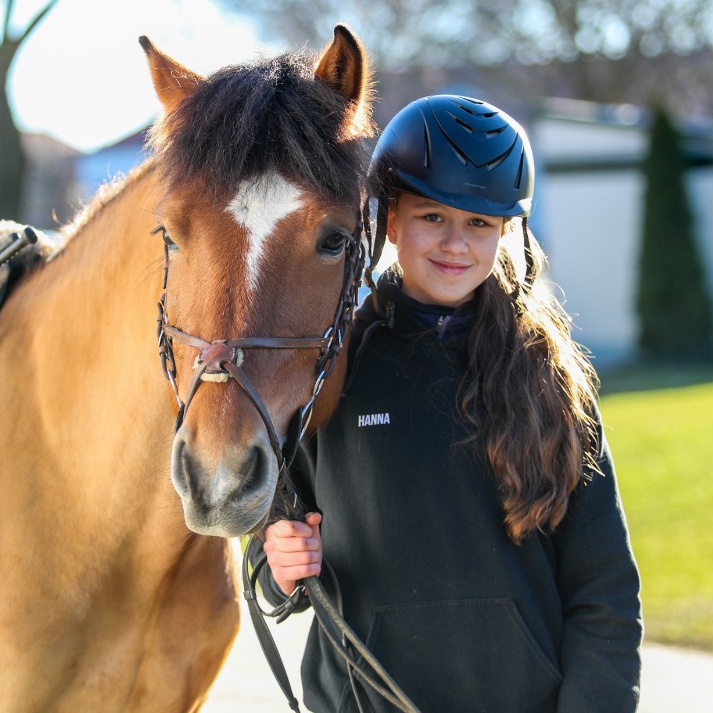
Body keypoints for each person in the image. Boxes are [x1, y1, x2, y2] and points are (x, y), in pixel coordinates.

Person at [248, 95, 643, 712]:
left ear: (505, 232)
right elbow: (271, 555)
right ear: (390, 221)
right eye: (433, 216)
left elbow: (606, 595)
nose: (456, 244)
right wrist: (279, 561)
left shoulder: (550, 380)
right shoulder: (330, 366)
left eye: (479, 223)